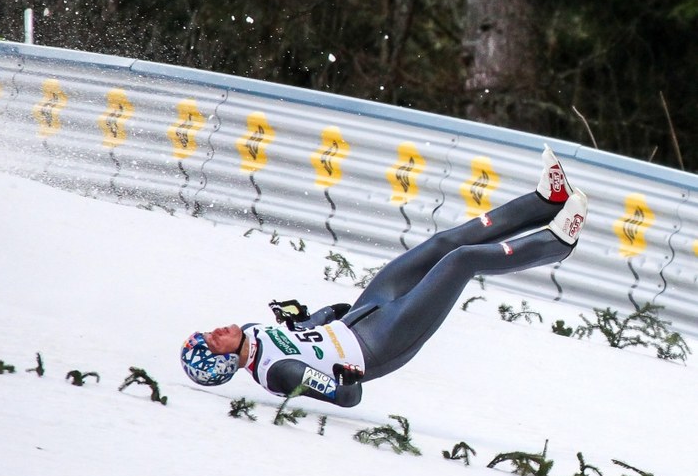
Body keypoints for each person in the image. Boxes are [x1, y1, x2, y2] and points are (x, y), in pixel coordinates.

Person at [180, 146, 588, 407]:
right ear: (224, 361)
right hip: (381, 342)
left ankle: (544, 202)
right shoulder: (276, 373)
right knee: (461, 261)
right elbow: (346, 395)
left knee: (440, 246)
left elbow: (328, 319)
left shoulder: (254, 331)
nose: (215, 332)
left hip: (363, 314)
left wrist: (303, 317)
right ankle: (554, 244)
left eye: (207, 333)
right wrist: (345, 377)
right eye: (213, 342)